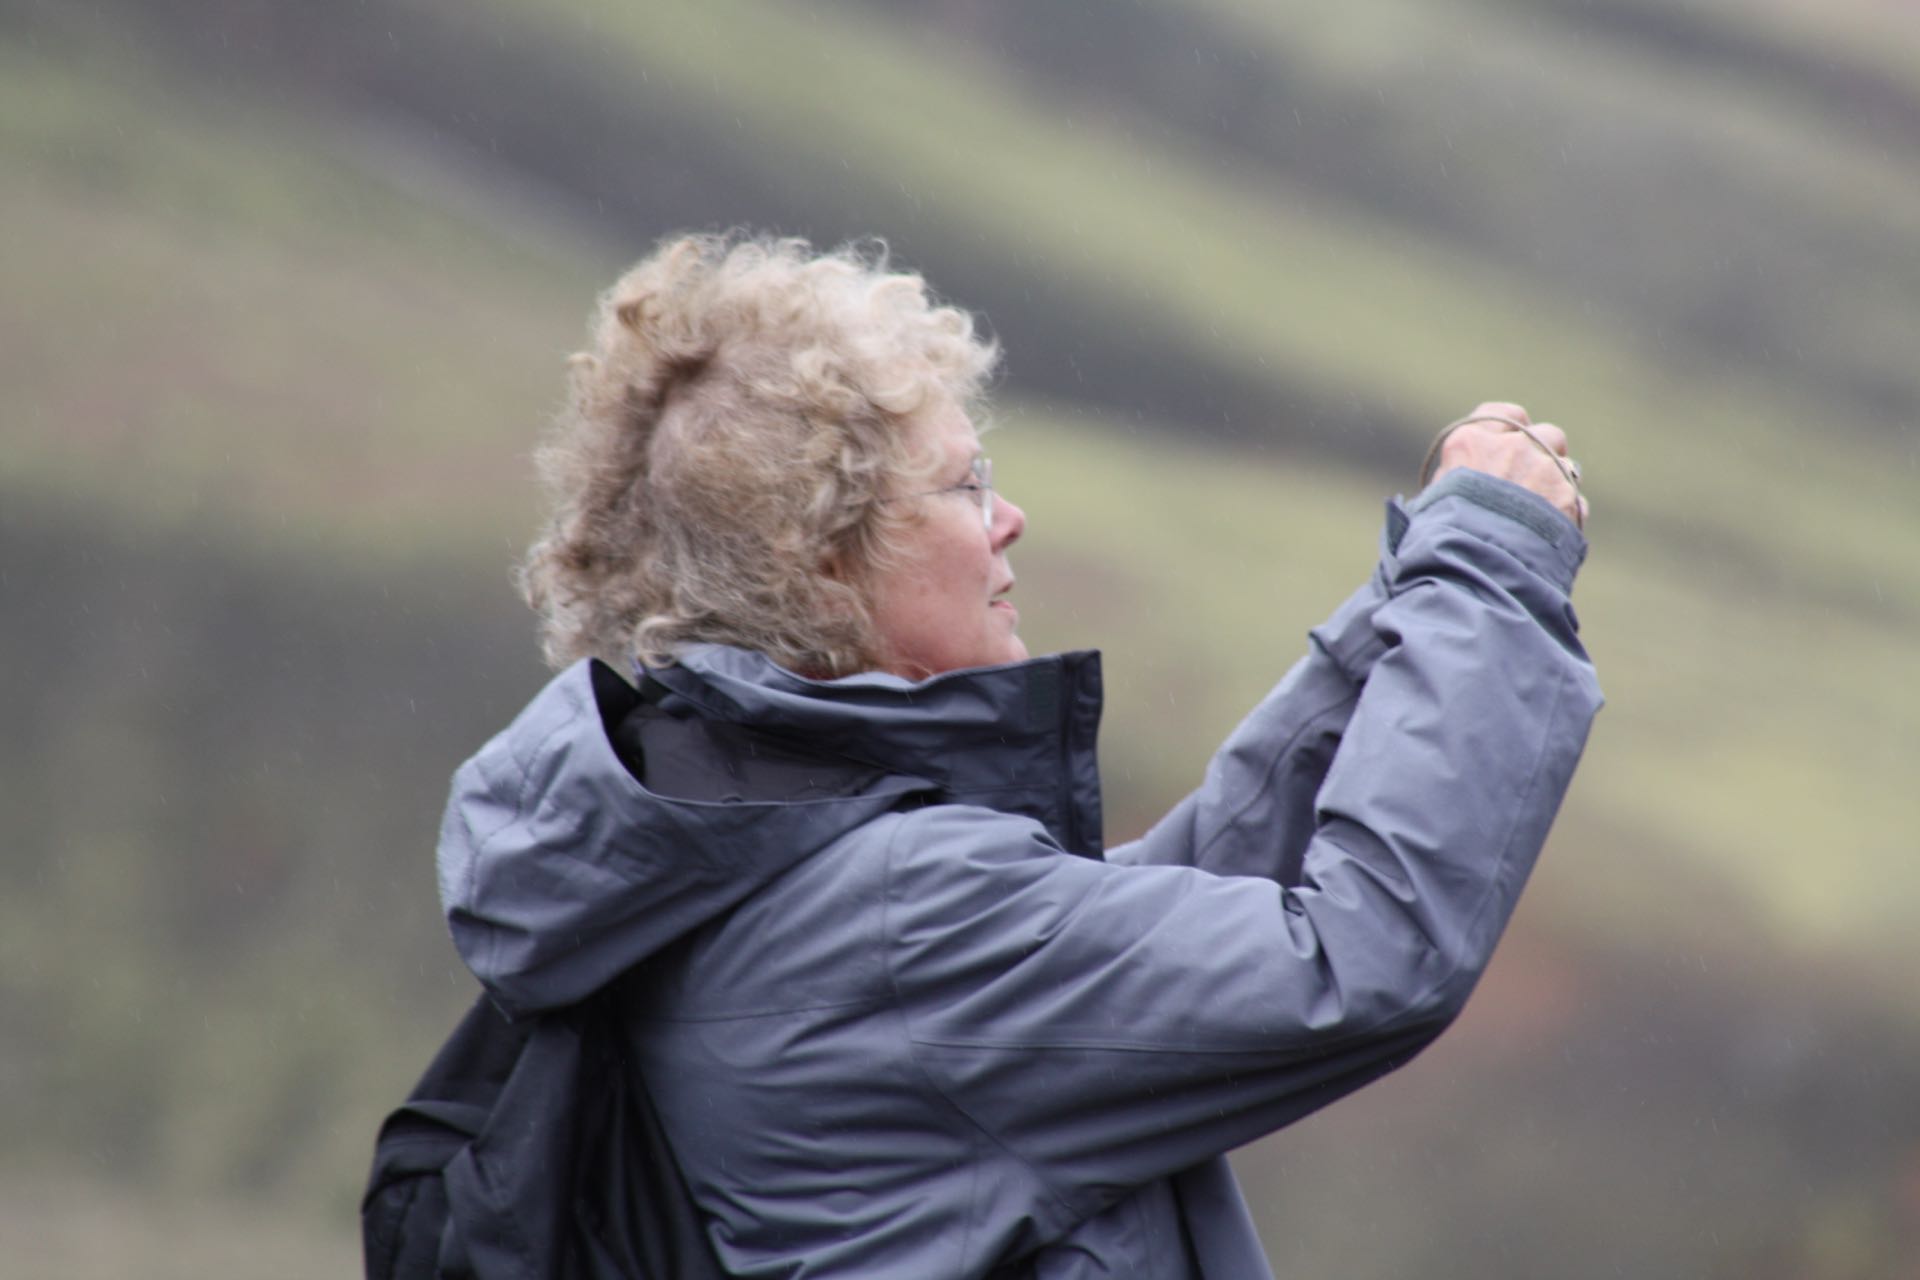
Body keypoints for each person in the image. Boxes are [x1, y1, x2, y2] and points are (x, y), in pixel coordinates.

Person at [435, 232, 1601, 1278]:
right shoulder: (893, 915)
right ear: (825, 563)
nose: (1009, 517)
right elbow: (1358, 958)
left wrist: (1407, 606)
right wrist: (1488, 564)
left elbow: (1163, 911)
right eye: (965, 484)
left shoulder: (751, 867)